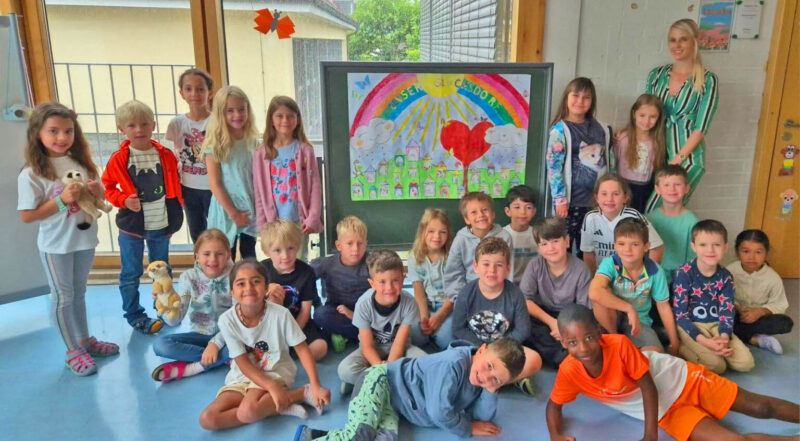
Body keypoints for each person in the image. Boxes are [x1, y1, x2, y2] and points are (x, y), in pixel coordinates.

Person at [546, 304, 800, 441]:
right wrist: (556, 435)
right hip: (668, 411)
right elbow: (553, 407)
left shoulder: (619, 345)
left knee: (760, 408)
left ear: (599, 332)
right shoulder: (570, 371)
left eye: (589, 338)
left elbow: (648, 387)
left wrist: (649, 436)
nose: (583, 348)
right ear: (563, 343)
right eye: (573, 342)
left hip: (686, 380)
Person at [18, 102, 119, 376]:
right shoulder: (32, 173)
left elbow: (98, 198)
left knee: (79, 293)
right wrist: (62, 201)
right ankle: (72, 350)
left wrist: (98, 193)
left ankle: (84, 340)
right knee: (63, 297)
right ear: (38, 132)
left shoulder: (81, 163)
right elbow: (27, 216)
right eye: (53, 131)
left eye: (68, 131)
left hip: (83, 241)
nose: (62, 137)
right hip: (56, 246)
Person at [294, 338, 527, 441]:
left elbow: (481, 416)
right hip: (381, 381)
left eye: (496, 380)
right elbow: (439, 412)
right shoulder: (454, 364)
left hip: (397, 405)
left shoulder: (483, 381)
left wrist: (491, 391)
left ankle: (313, 436)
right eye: (489, 366)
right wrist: (467, 428)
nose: (486, 377)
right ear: (481, 350)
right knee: (360, 436)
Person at [199, 259, 331, 430]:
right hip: (242, 376)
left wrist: (316, 385)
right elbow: (242, 362)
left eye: (256, 281)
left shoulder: (281, 314)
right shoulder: (226, 320)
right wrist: (271, 388)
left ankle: (302, 393)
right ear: (232, 292)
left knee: (247, 412)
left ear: (266, 287)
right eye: (241, 283)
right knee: (208, 419)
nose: (249, 288)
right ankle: (285, 402)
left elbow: (302, 349)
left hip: (273, 371)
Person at [102, 99, 184, 334]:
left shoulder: (165, 155)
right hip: (132, 227)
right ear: (122, 129)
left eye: (144, 124)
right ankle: (134, 315)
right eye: (132, 125)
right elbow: (108, 187)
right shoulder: (119, 159)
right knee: (131, 272)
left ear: (153, 125)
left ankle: (164, 309)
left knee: (162, 270)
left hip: (161, 223)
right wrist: (123, 200)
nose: (139, 130)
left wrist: (177, 206)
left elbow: (175, 182)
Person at [643, 18, 719, 212]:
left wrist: (677, 160)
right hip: (658, 154)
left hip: (687, 157)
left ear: (695, 41)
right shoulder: (657, 75)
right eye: (672, 40)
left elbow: (701, 128)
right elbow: (646, 112)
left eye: (683, 39)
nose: (676, 45)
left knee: (653, 210)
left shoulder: (707, 80)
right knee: (660, 213)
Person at [451, 237, 543, 396]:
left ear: (507, 269)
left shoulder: (515, 294)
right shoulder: (466, 294)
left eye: (499, 265)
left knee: (535, 360)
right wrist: (482, 347)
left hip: (504, 350)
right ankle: (504, 380)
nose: (492, 270)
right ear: (476, 266)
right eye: (486, 264)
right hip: (477, 349)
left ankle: (490, 383)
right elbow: (458, 328)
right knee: (455, 361)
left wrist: (498, 347)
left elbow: (523, 330)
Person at [337, 249, 426, 395]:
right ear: (372, 283)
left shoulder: (409, 303)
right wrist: (380, 367)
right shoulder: (363, 304)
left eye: (395, 280)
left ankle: (368, 382)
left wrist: (387, 368)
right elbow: (367, 347)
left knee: (424, 363)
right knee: (345, 370)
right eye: (382, 282)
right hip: (372, 350)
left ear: (403, 279)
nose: (389, 288)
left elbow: (399, 343)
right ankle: (392, 383)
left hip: (400, 349)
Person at [673, 220, 755, 374]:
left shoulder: (726, 277)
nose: (710, 250)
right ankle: (683, 348)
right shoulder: (683, 273)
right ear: (694, 247)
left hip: (717, 325)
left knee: (746, 364)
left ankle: (714, 350)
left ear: (725, 247)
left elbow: (727, 311)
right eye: (703, 245)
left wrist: (724, 338)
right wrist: (705, 341)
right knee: (717, 366)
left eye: (716, 245)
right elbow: (681, 315)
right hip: (691, 325)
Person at [151, 229, 233, 382]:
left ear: (228, 255)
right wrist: (165, 306)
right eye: (206, 254)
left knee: (247, 342)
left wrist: (216, 344)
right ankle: (224, 358)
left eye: (219, 254)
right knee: (160, 344)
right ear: (197, 257)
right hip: (199, 335)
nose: (213, 259)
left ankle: (193, 367)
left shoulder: (236, 276)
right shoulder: (188, 277)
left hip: (229, 335)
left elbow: (239, 317)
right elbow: (175, 321)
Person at [589, 218, 680, 354]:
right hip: (611, 320)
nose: (627, 250)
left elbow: (663, 306)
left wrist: (675, 342)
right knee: (601, 295)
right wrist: (628, 308)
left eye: (635, 244)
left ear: (646, 246)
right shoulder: (610, 263)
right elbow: (594, 292)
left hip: (639, 322)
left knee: (655, 354)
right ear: (615, 245)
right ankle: (615, 342)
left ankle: (630, 348)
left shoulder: (655, 270)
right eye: (621, 244)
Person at [546, 77, 612, 255]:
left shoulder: (602, 129)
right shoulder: (560, 130)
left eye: (586, 97)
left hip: (596, 202)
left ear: (592, 101)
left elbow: (608, 162)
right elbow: (553, 167)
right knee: (565, 246)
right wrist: (560, 199)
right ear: (567, 97)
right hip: (570, 203)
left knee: (591, 247)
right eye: (575, 95)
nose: (580, 101)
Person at [253, 96, 322, 260]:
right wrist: (262, 224)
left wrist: (312, 218)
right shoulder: (261, 153)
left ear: (298, 119)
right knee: (276, 262)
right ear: (271, 119)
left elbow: (315, 187)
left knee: (298, 261)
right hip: (273, 223)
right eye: (280, 116)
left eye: (291, 116)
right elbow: (259, 191)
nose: (285, 120)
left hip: (298, 222)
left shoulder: (305, 150)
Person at [519, 217, 591, 368]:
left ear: (567, 241)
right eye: (544, 244)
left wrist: (563, 327)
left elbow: (583, 309)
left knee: (586, 331)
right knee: (524, 324)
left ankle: (564, 354)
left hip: (570, 316)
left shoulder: (581, 269)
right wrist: (552, 323)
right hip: (545, 316)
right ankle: (564, 354)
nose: (550, 248)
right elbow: (525, 300)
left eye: (555, 241)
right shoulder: (535, 265)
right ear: (539, 248)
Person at [204, 86, 259, 259]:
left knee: (249, 255)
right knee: (224, 256)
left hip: (249, 207)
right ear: (221, 114)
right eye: (230, 111)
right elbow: (215, 184)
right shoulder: (215, 145)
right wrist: (233, 213)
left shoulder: (253, 142)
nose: (237, 115)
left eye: (242, 109)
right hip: (226, 210)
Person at [260, 219, 327, 361]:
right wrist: (265, 290)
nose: (285, 256)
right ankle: (282, 351)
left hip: (298, 323)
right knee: (273, 296)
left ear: (298, 247)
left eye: (290, 248)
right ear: (266, 252)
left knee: (321, 347)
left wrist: (291, 337)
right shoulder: (260, 270)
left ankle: (286, 354)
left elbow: (305, 311)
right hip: (269, 326)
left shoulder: (306, 272)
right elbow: (251, 304)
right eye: (277, 250)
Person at [165, 68, 214, 243]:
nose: (194, 94)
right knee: (196, 231)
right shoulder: (176, 123)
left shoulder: (217, 121)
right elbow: (169, 156)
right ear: (182, 93)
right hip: (188, 187)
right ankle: (199, 259)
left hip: (214, 187)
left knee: (217, 232)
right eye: (189, 89)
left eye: (200, 89)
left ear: (210, 92)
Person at [727, 229, 793, 354]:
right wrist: (738, 308)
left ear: (766, 253)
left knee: (785, 323)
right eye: (746, 251)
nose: (752, 257)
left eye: (758, 252)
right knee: (718, 315)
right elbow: (722, 296)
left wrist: (759, 312)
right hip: (734, 314)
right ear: (737, 252)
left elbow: (780, 304)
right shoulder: (729, 271)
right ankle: (755, 339)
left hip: (758, 318)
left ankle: (737, 333)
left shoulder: (773, 277)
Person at [580, 174, 663, 273]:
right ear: (596, 198)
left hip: (631, 275)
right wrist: (595, 277)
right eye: (604, 194)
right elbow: (588, 252)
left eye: (616, 194)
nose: (609, 199)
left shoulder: (634, 216)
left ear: (625, 197)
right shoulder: (590, 218)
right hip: (603, 275)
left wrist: (648, 275)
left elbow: (657, 247)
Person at [311, 215, 371, 352]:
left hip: (366, 314)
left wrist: (355, 315)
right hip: (337, 312)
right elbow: (304, 276)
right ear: (339, 245)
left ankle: (343, 334)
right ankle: (360, 336)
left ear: (366, 244)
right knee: (320, 315)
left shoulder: (372, 263)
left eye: (360, 243)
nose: (355, 249)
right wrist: (314, 301)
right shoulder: (327, 264)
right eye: (349, 244)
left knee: (386, 320)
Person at [444, 191, 513, 301]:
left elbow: (508, 271)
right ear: (467, 219)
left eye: (485, 210)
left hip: (499, 296)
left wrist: (503, 298)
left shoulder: (504, 237)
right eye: (474, 212)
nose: (480, 215)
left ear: (493, 214)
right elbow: (453, 274)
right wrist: (461, 299)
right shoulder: (461, 239)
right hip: (468, 297)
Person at [408, 208, 455, 350]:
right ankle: (431, 334)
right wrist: (424, 319)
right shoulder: (415, 256)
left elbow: (454, 292)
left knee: (446, 341)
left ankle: (436, 335)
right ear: (422, 231)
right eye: (431, 231)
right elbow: (419, 293)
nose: (437, 236)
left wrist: (440, 316)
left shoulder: (452, 256)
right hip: (425, 305)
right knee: (414, 337)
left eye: (442, 232)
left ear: (448, 234)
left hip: (447, 306)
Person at [645, 165, 699, 283]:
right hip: (654, 276)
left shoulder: (693, 222)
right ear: (657, 189)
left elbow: (694, 257)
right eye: (666, 185)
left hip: (682, 278)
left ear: (687, 188)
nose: (672, 189)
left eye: (678, 184)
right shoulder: (649, 219)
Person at [613, 94, 666, 212]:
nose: (646, 121)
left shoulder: (657, 142)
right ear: (634, 114)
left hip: (644, 189)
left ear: (658, 118)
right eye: (642, 115)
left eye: (652, 117)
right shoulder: (622, 138)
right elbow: (613, 163)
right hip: (622, 186)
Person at [503, 185, 539, 284]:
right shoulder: (501, 236)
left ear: (534, 211)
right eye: (517, 207)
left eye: (528, 207)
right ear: (508, 211)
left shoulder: (539, 234)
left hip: (533, 284)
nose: (523, 212)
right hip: (508, 285)